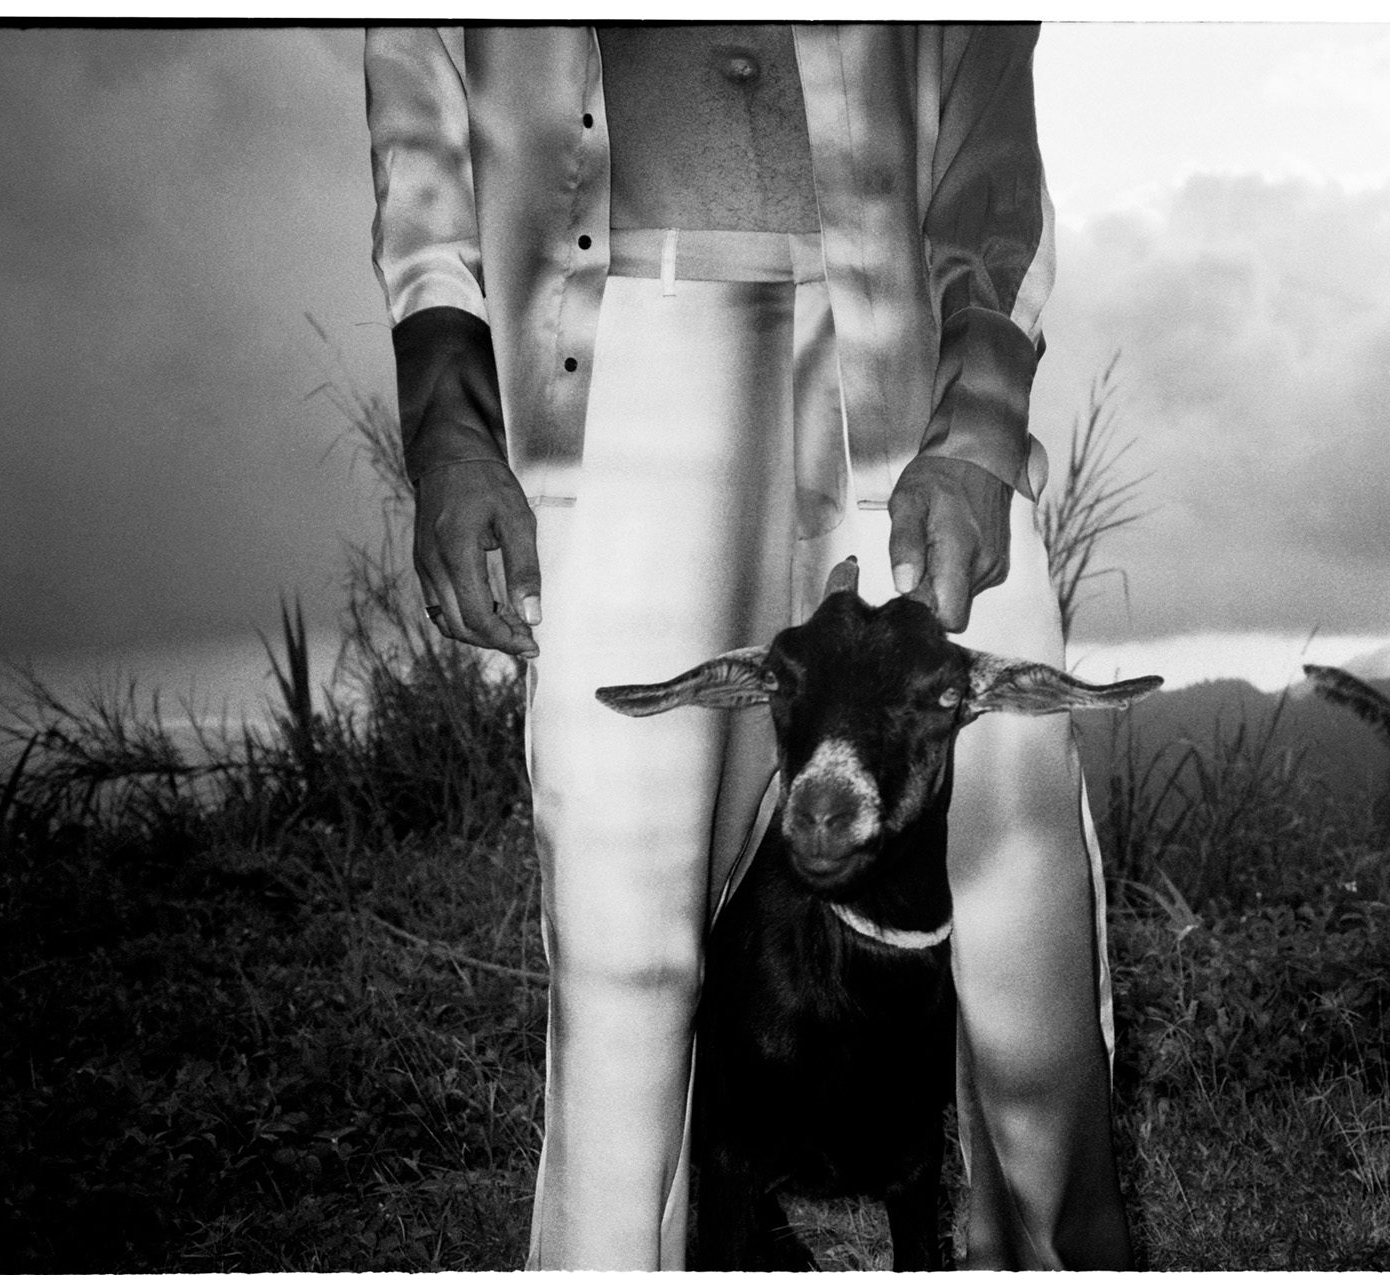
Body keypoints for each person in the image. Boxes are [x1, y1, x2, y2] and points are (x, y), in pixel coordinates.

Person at [365, 25, 1133, 1270]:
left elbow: (990, 130)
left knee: (1020, 918)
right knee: (626, 951)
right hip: (615, 358)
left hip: (910, 375)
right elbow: (420, 134)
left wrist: (983, 424)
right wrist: (448, 432)